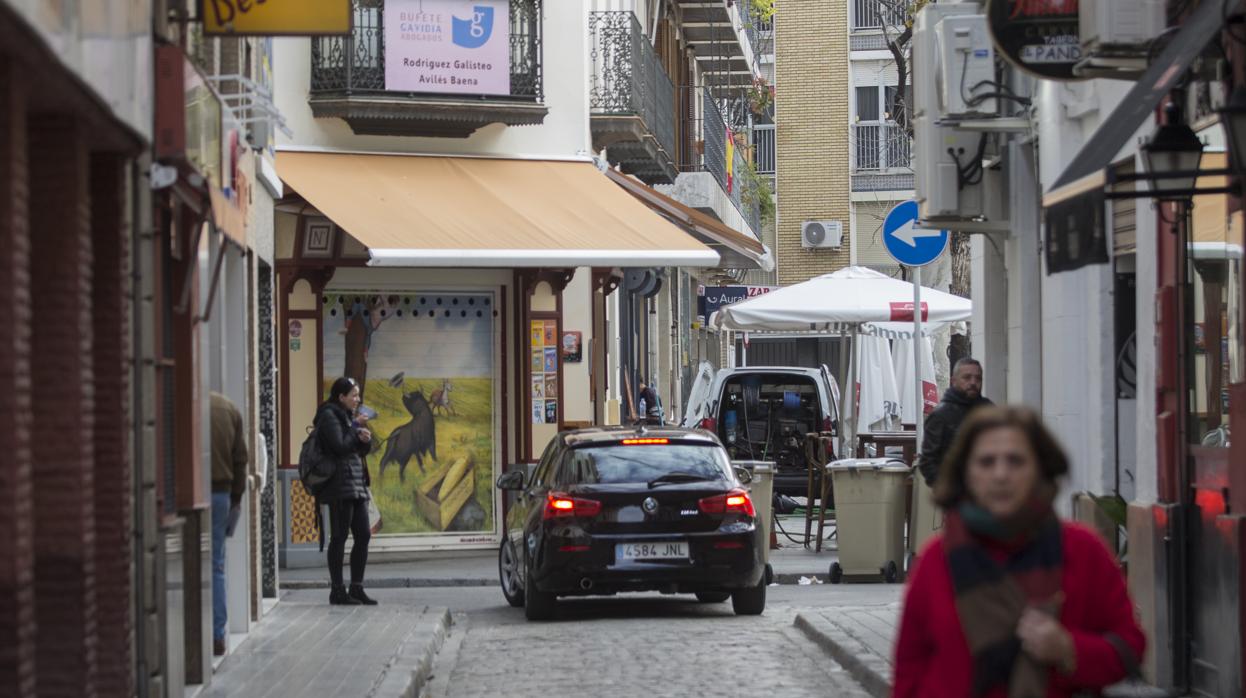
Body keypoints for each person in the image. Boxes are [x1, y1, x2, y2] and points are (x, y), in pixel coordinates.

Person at [892, 406, 1145, 698]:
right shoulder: (937, 561)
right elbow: (908, 673)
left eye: (1016, 461)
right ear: (966, 474)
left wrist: (1068, 649)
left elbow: (1129, 648)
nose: (1001, 475)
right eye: (986, 462)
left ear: (1039, 469)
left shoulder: (1082, 550)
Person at [316, 377, 377, 605]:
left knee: (364, 535)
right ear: (341, 397)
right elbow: (340, 445)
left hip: (356, 483)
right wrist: (354, 429)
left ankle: (357, 587)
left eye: (358, 395)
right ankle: (337, 590)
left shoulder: (349, 417)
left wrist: (365, 439)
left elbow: (356, 449)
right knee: (340, 537)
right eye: (353, 395)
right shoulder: (328, 415)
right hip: (339, 486)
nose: (357, 399)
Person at [210, 391, 249, 656]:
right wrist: (236, 497)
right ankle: (217, 634)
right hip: (220, 493)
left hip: (184, 494)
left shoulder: (177, 399)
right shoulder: (228, 407)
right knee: (216, 565)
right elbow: (241, 459)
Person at [915, 357, 992, 486]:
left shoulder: (989, 410)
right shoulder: (941, 415)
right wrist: (947, 489)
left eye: (978, 378)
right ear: (954, 381)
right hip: (957, 494)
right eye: (967, 377)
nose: (973, 382)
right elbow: (927, 461)